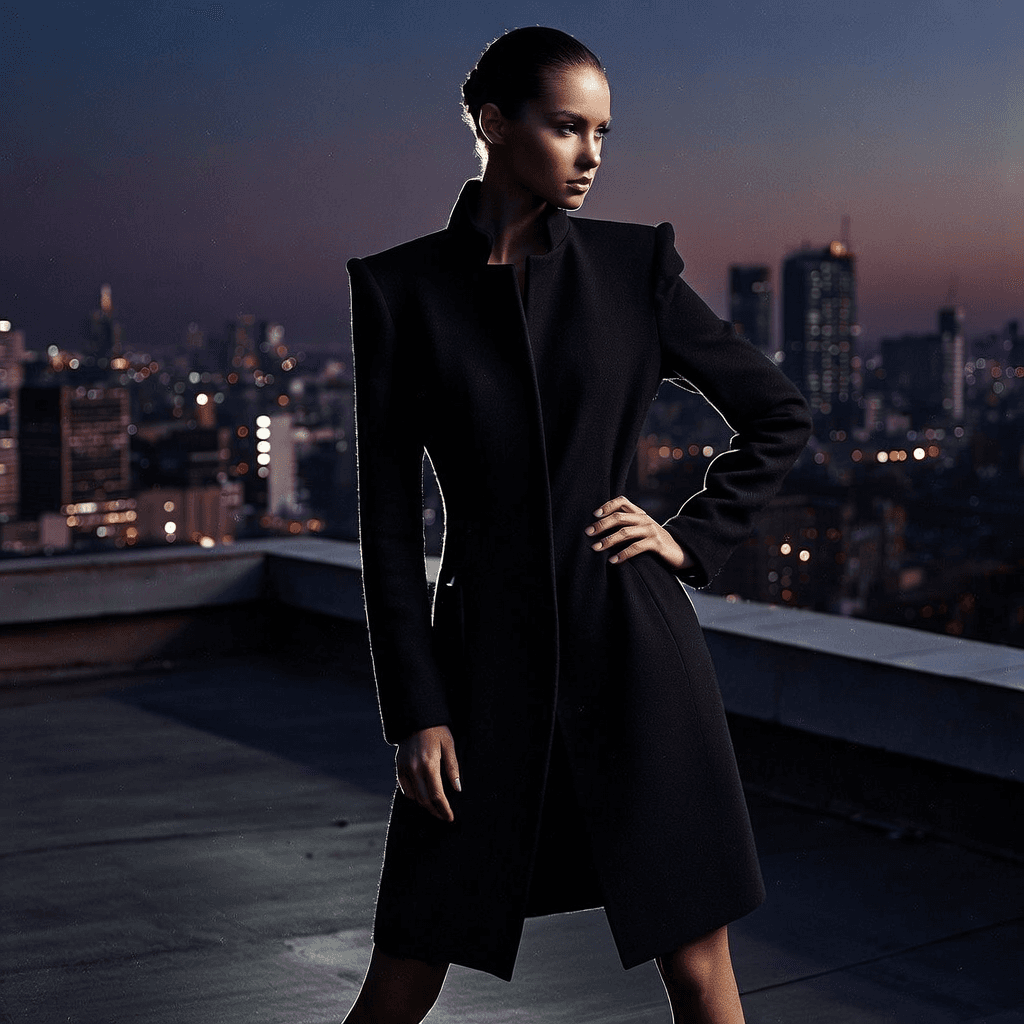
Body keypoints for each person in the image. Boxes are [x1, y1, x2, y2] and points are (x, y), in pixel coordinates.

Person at [344, 26, 812, 1024]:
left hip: (636, 661)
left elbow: (777, 411)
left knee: (698, 968)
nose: (592, 154)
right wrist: (413, 708)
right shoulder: (400, 291)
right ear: (493, 125)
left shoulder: (632, 269)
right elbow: (386, 524)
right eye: (566, 128)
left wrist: (690, 534)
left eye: (603, 131)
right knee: (405, 966)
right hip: (478, 676)